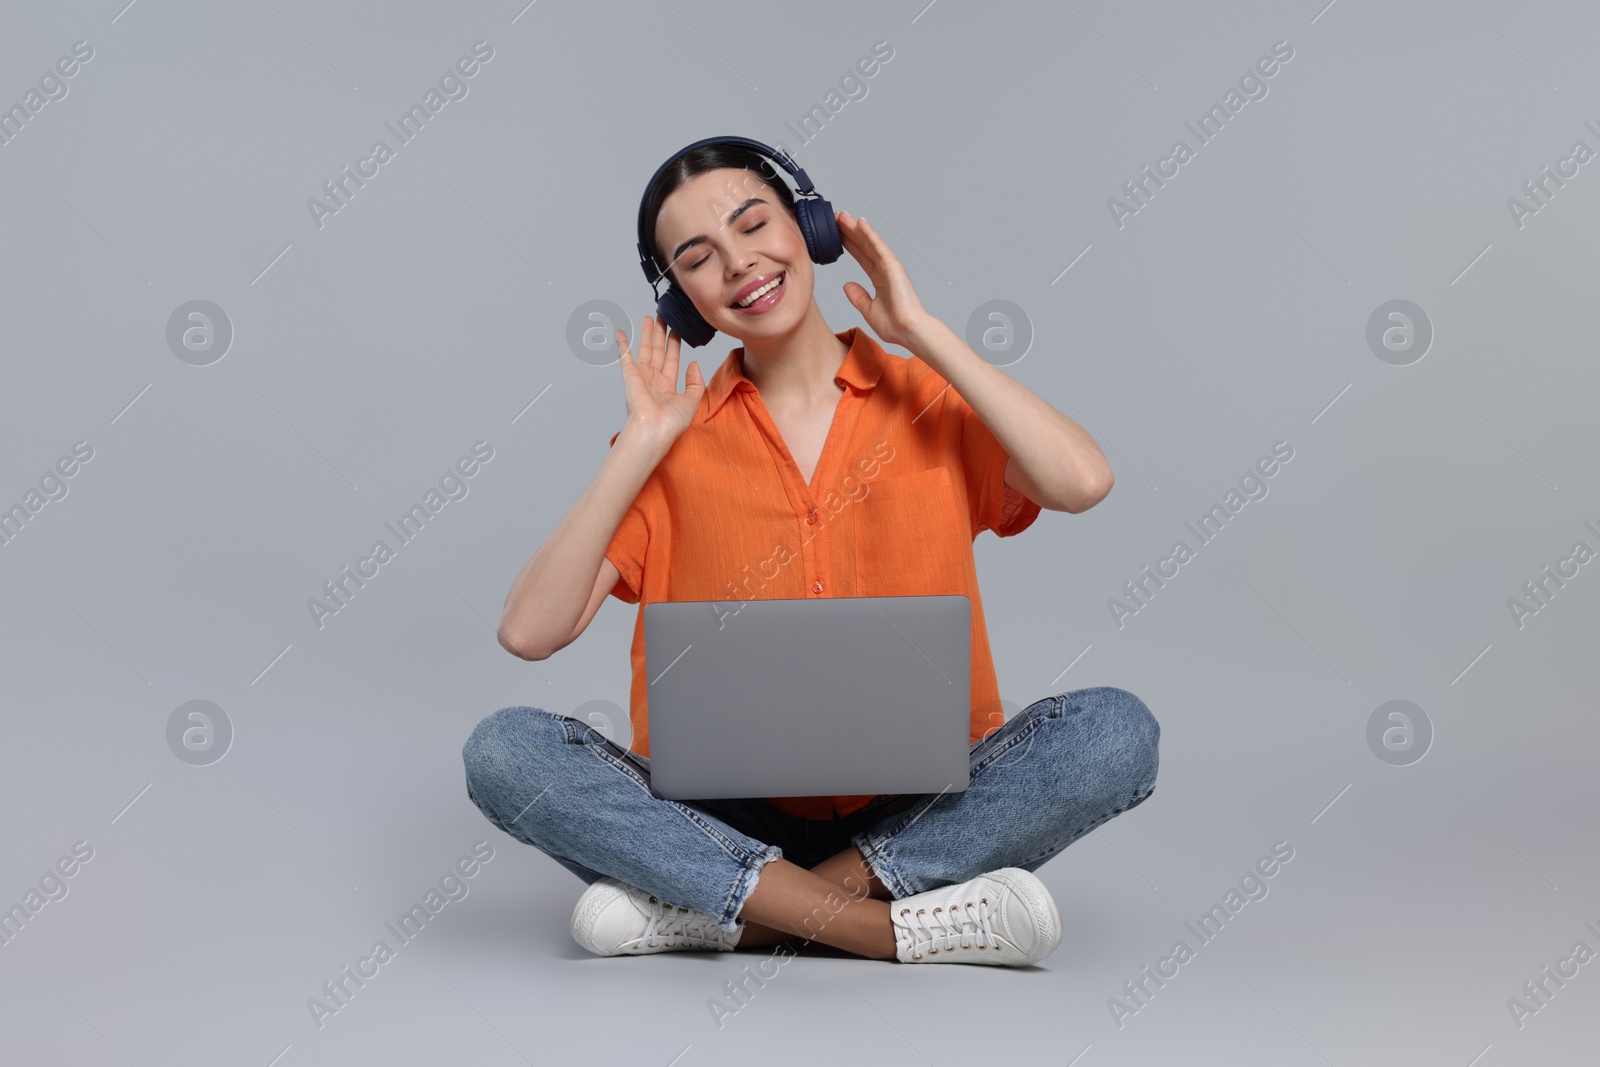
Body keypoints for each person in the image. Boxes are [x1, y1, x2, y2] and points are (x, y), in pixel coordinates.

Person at [462, 139, 1160, 966]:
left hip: (915, 807)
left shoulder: (926, 399)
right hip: (719, 815)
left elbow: (1081, 480)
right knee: (503, 750)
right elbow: (528, 633)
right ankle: (884, 926)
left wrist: (923, 333)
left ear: (811, 226)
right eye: (697, 258)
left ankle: (724, 908)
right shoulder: (667, 449)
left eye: (753, 224)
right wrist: (640, 443)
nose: (739, 264)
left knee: (1116, 733)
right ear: (681, 300)